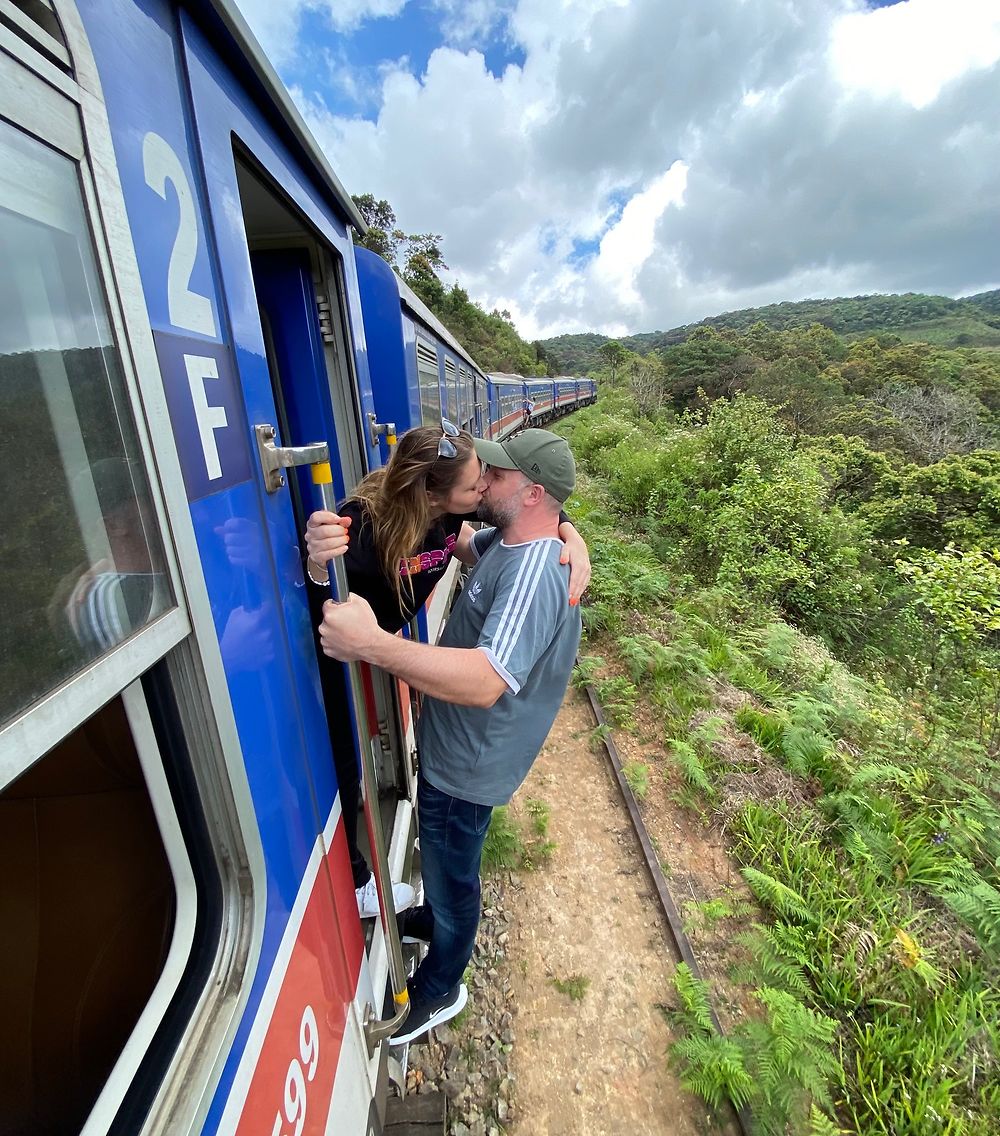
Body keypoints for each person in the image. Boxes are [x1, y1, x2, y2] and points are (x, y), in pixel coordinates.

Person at [318, 428, 583, 1044]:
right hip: (451, 753)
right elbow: (475, 538)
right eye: (479, 473)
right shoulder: (505, 541)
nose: (484, 481)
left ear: (533, 491)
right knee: (442, 867)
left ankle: (440, 989)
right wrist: (573, 534)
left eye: (497, 474)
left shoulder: (533, 572)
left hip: (467, 768)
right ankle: (431, 916)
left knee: (455, 877)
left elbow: (488, 681)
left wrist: (374, 645)